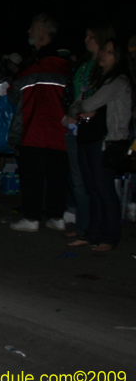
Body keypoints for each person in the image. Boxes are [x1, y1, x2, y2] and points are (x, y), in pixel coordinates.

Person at [65, 37, 133, 252]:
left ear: (119, 57)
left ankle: (109, 237)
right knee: (92, 188)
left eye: (110, 52)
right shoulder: (97, 79)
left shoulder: (118, 80)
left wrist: (82, 108)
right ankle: (92, 234)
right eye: (103, 50)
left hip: (105, 141)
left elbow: (87, 103)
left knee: (104, 190)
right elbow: (75, 105)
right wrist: (81, 109)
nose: (104, 54)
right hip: (88, 138)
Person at [8, 14, 71, 232]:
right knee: (58, 178)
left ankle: (32, 218)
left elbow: (13, 92)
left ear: (43, 33)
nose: (28, 32)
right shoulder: (66, 67)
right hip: (60, 133)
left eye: (32, 28)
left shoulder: (35, 68)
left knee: (32, 177)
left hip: (35, 131)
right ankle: (57, 216)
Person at [63, 25, 110, 239]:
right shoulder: (83, 64)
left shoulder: (104, 69)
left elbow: (96, 100)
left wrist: (79, 110)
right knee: (78, 178)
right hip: (76, 125)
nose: (86, 40)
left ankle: (93, 227)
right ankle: (84, 225)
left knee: (93, 181)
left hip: (94, 128)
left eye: (91, 36)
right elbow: (72, 92)